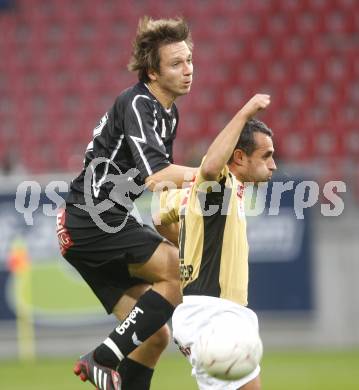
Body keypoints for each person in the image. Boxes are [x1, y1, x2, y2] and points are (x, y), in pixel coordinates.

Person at [56, 16, 197, 390]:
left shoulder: (168, 113)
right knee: (175, 272)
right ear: (152, 72)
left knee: (154, 337)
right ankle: (102, 358)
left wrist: (182, 230)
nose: (188, 70)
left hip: (92, 224)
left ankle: (109, 359)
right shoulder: (138, 103)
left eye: (189, 61)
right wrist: (213, 176)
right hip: (93, 219)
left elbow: (160, 190)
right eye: (176, 63)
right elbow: (157, 174)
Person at [154, 94, 276, 390]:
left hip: (210, 313)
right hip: (215, 314)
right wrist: (245, 112)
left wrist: (189, 242)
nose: (273, 165)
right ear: (239, 158)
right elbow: (209, 169)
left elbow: (159, 217)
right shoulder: (220, 184)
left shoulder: (199, 192)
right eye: (266, 155)